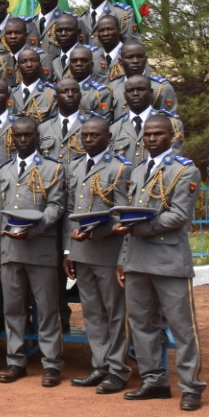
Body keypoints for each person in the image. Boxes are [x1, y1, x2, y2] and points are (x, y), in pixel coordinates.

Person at [115, 115, 205, 411]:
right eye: (148, 135)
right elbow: (130, 214)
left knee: (182, 326)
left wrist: (139, 229)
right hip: (138, 259)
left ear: (172, 136)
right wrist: (123, 259)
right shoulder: (139, 171)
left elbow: (179, 215)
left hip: (168, 259)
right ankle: (154, 379)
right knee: (141, 323)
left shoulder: (184, 171)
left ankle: (191, 386)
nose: (152, 139)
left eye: (158, 134)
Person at [0, 117, 66, 386]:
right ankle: (15, 361)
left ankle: (52, 364)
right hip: (11, 250)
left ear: (37, 137)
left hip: (40, 249)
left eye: (28, 135)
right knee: (13, 309)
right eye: (18, 136)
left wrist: (33, 228)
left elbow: (56, 207)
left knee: (46, 310)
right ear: (11, 138)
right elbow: (0, 213)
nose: (23, 140)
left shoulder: (52, 168)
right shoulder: (5, 170)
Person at [63, 117, 133, 394]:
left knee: (115, 313)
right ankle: (100, 365)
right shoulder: (76, 165)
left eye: (95, 135)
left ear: (108, 137)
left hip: (107, 249)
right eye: (85, 135)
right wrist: (69, 249)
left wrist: (98, 231)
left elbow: (122, 212)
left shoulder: (120, 168)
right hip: (81, 251)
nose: (88, 139)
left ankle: (118, 369)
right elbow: (70, 208)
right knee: (92, 313)